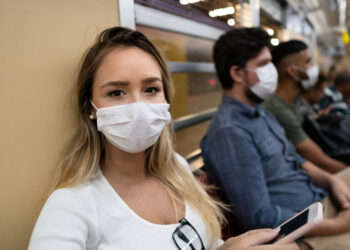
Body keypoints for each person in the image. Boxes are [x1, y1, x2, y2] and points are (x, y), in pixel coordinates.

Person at [27, 27, 297, 250]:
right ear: (90, 108)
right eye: (116, 93)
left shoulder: (178, 168)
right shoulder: (71, 207)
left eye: (151, 89)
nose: (139, 106)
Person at [200, 27, 350, 249]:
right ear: (238, 74)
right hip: (306, 231)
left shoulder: (260, 112)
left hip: (321, 198)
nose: (272, 71)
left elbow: (296, 158)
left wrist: (332, 181)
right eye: (263, 64)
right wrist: (336, 225)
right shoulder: (230, 133)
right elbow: (261, 217)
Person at [264, 40, 347, 173]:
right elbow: (322, 162)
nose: (314, 66)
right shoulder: (278, 109)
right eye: (308, 61)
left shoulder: (298, 101)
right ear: (291, 70)